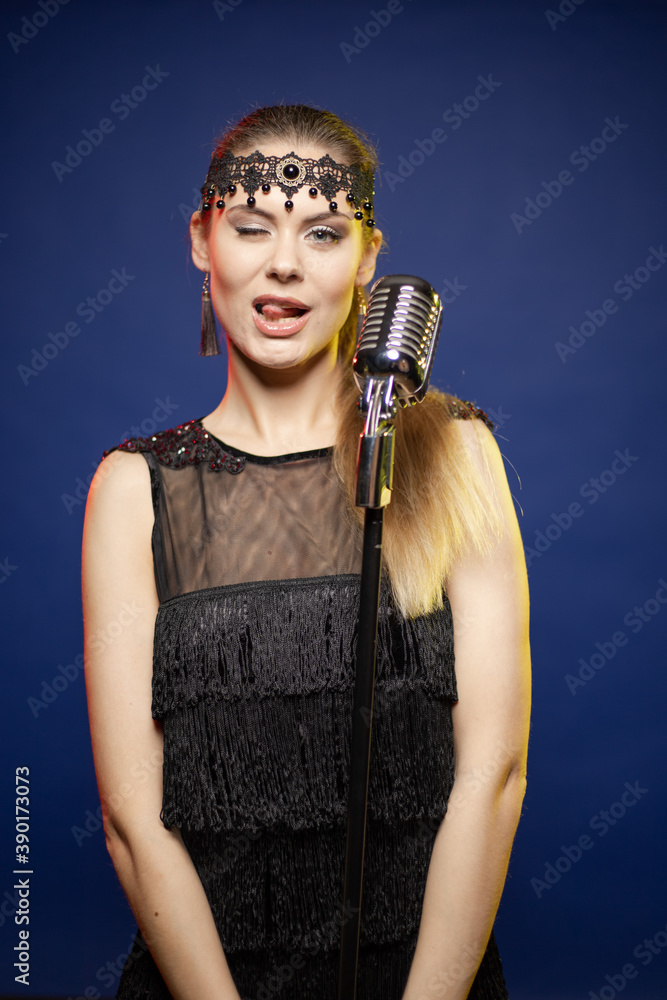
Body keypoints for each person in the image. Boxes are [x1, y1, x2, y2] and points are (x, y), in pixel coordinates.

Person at [82, 104, 531, 1000]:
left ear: (367, 261)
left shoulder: (458, 453)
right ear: (202, 244)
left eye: (322, 233)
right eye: (250, 228)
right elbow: (133, 819)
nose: (283, 263)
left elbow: (493, 774)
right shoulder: (132, 489)